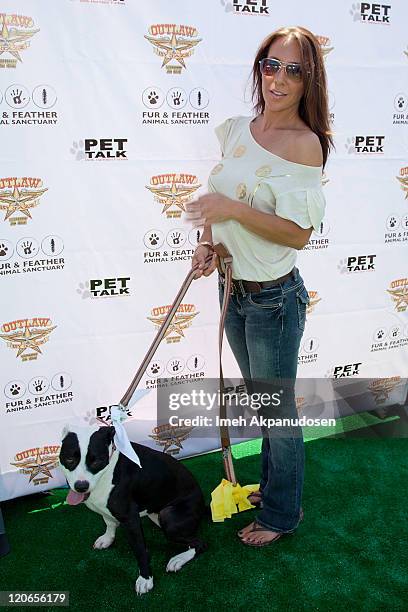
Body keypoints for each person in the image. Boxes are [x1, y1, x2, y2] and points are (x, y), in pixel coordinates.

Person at [186, 26, 334, 546]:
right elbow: (216, 193)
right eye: (272, 65)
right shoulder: (235, 130)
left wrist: (232, 212)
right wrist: (209, 243)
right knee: (267, 407)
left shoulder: (305, 145)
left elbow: (298, 234)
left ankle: (280, 514)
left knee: (278, 413)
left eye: (293, 69)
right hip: (233, 292)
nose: (279, 78)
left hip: (273, 300)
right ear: (259, 68)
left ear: (308, 79)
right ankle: (272, 489)